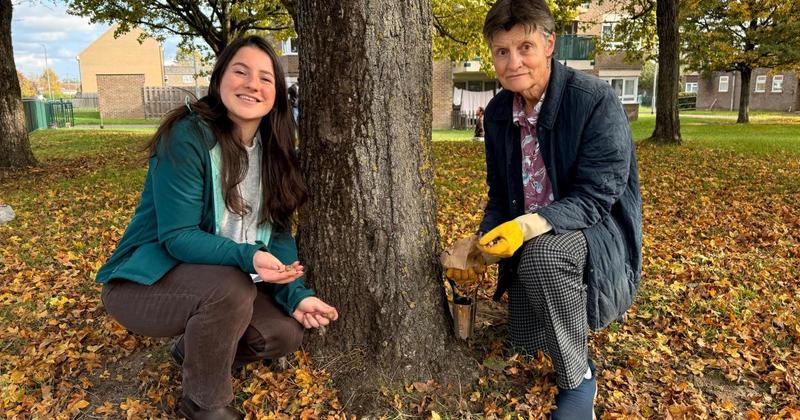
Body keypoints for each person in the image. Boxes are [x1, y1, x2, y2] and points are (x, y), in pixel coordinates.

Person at [96, 36, 338, 420]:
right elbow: (177, 238)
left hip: (226, 283)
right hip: (143, 283)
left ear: (276, 93)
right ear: (220, 78)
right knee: (231, 287)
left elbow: (276, 235)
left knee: (283, 334)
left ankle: (192, 348)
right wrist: (249, 257)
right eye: (240, 71)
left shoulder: (275, 153)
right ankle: (204, 403)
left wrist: (295, 295)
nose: (252, 85)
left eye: (265, 78)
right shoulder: (187, 137)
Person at [446, 0, 642, 417]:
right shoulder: (499, 112)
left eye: (525, 47)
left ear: (550, 44)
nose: (513, 62)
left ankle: (578, 381)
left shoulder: (593, 100)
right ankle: (544, 310)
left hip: (594, 234)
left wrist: (529, 226)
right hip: (530, 235)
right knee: (524, 339)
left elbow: (598, 196)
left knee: (543, 257)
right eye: (502, 51)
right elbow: (500, 194)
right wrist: (483, 244)